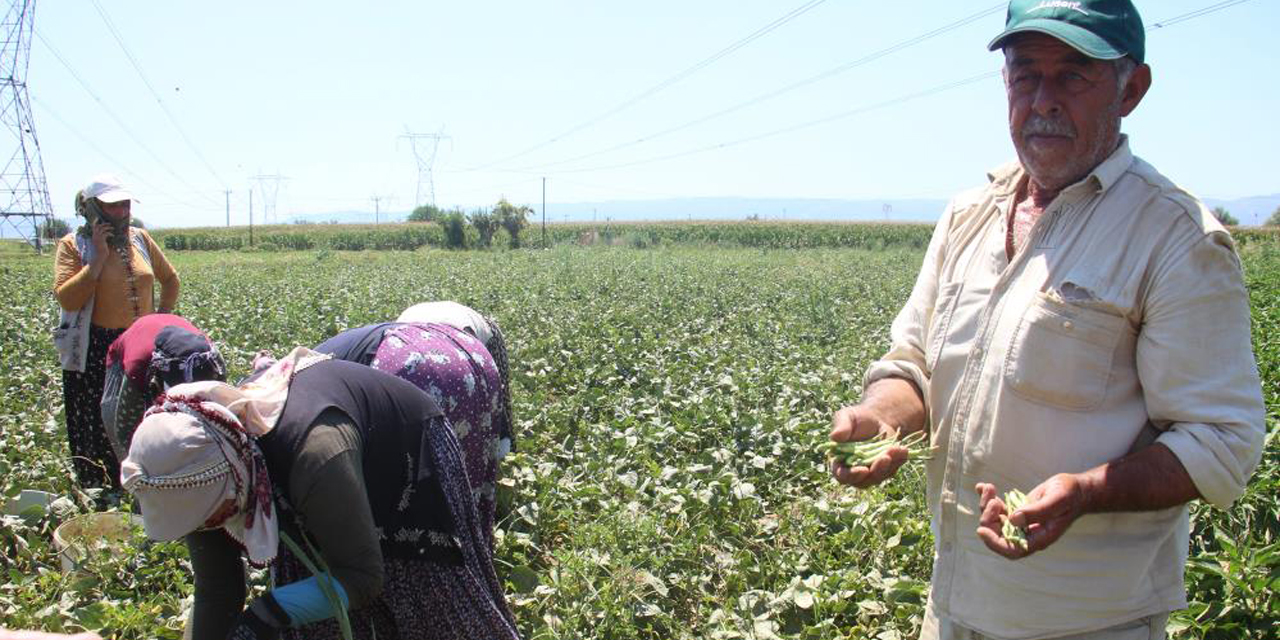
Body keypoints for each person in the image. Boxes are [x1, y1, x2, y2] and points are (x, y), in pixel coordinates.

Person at [825, 2, 1266, 639]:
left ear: (1131, 89)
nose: (1043, 101)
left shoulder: (1176, 239)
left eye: (1073, 75)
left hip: (1088, 621)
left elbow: (1222, 439)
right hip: (953, 605)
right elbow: (913, 365)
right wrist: (884, 416)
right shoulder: (969, 214)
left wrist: (1087, 491)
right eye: (1024, 75)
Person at [122, 349, 521, 640]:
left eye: (215, 517)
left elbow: (362, 577)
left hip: (402, 453)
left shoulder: (314, 453)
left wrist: (266, 613)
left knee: (430, 600)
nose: (212, 526)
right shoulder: (193, 471)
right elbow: (218, 589)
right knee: (314, 612)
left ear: (237, 480)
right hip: (316, 470)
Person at [311, 314, 513, 544]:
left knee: (407, 486)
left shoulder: (307, 380)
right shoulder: (475, 334)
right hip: (469, 355)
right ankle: (471, 547)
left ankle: (414, 554)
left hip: (404, 360)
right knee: (463, 467)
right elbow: (497, 410)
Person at [53, 174, 179, 489]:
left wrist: (160, 320)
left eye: (125, 205)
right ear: (93, 209)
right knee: (99, 423)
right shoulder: (73, 246)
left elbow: (170, 279)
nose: (123, 212)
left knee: (148, 414)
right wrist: (96, 261)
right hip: (99, 348)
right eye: (114, 206)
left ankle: (148, 480)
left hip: (144, 343)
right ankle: (104, 487)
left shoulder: (140, 239)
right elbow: (67, 298)